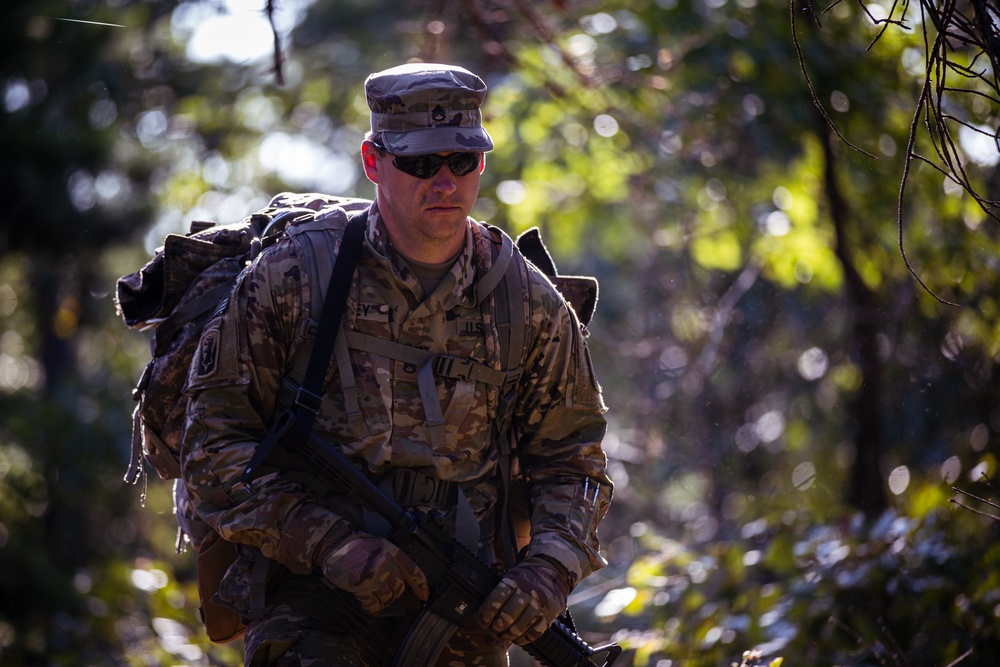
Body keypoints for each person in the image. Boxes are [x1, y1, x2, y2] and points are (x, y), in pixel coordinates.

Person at [180, 62, 613, 666]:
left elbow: (575, 461)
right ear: (372, 161)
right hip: (315, 595)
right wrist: (330, 544)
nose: (444, 181)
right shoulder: (296, 279)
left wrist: (546, 571)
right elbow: (211, 443)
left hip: (465, 603)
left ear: (482, 164)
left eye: (462, 161)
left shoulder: (529, 302)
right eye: (418, 162)